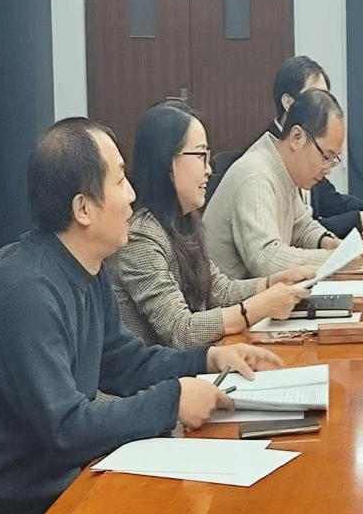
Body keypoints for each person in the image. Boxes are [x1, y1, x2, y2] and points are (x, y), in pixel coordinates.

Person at [0, 118, 281, 514]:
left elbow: (123, 363)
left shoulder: (84, 270)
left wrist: (206, 359)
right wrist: (172, 400)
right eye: (120, 180)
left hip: (48, 494)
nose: (132, 196)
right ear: (83, 209)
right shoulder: (27, 292)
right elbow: (66, 428)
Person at [108, 100, 314, 347]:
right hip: (160, 370)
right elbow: (181, 330)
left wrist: (273, 283)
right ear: (166, 160)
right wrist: (258, 307)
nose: (208, 169)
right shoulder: (140, 237)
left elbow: (219, 291)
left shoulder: (183, 220)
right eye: (200, 155)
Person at [204, 88, 363, 279]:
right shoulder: (256, 175)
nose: (327, 168)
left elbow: (301, 227)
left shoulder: (284, 170)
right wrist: (335, 258)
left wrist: (328, 242)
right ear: (296, 137)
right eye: (326, 157)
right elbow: (267, 260)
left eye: (333, 160)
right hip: (232, 296)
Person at [251, 56, 363, 238]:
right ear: (288, 103)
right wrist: (359, 220)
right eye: (314, 96)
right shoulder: (267, 159)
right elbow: (294, 234)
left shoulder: (312, 145)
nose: (323, 105)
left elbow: (331, 202)